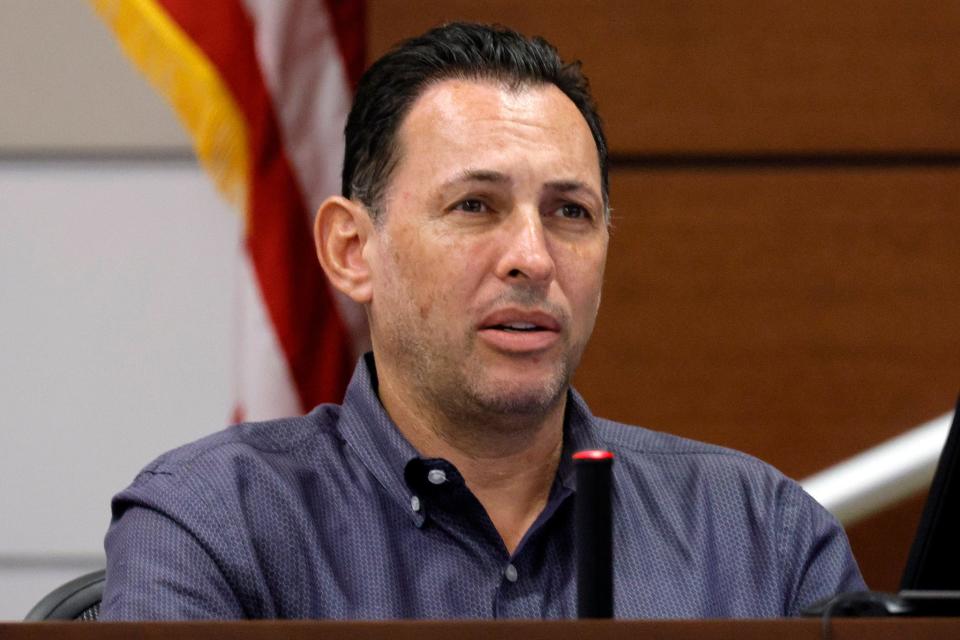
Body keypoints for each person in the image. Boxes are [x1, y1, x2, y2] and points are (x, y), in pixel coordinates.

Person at [100, 22, 865, 620]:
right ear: (351, 249)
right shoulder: (215, 523)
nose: (532, 258)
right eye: (476, 207)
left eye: (570, 213)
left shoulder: (761, 535)